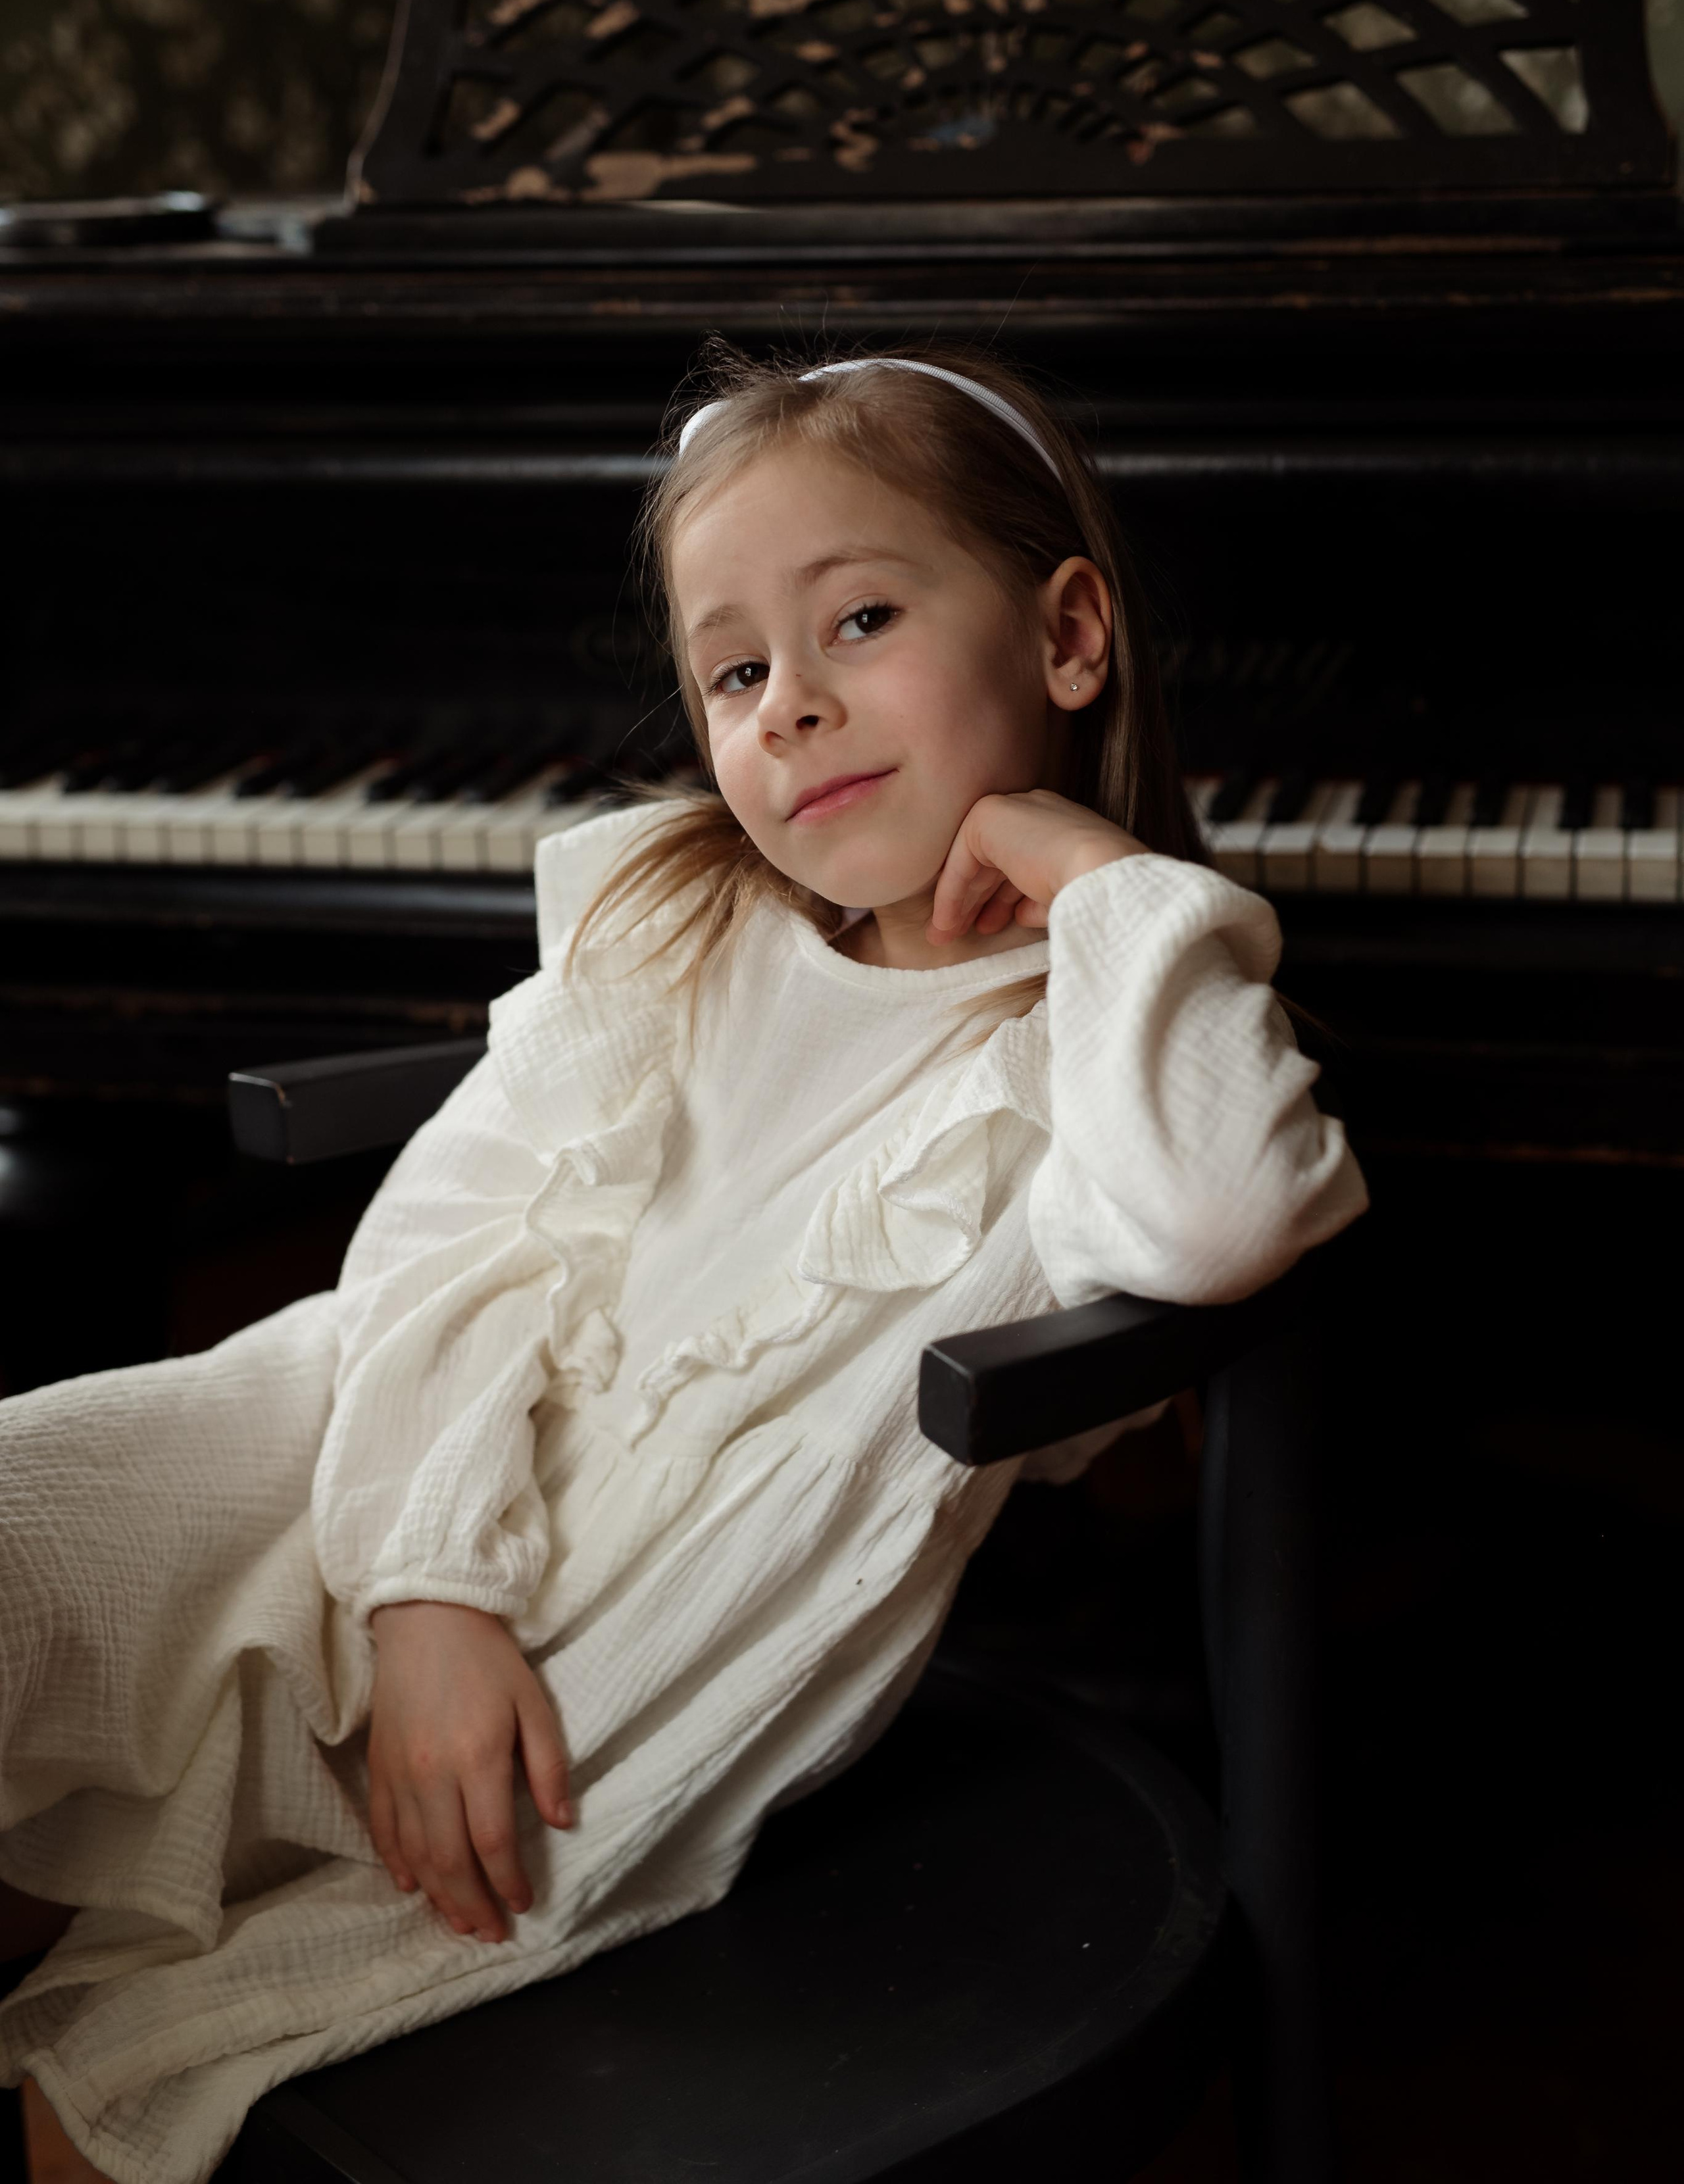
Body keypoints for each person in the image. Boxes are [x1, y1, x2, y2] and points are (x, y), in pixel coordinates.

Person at [0, 345, 1366, 2184]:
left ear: (1067, 638)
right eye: (735, 670)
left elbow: (1223, 1219)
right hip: (375, 1456)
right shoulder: (676, 911)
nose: (789, 708)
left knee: (130, 2080)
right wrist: (425, 1588)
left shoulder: (1096, 1050)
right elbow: (453, 1234)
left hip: (644, 1668)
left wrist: (1102, 879)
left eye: (860, 619)